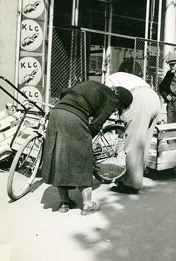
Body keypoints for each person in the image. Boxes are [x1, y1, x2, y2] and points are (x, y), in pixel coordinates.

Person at [41, 80, 133, 215]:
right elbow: (98, 123)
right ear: (120, 102)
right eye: (120, 107)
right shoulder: (112, 98)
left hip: (56, 113)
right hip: (73, 117)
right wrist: (86, 138)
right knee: (83, 159)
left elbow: (65, 92)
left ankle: (64, 203)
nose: (116, 109)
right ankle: (87, 205)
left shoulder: (95, 85)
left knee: (60, 157)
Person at [105, 72, 161, 194]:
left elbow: (112, 99)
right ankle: (136, 178)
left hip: (138, 99)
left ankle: (131, 185)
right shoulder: (125, 77)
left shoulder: (108, 81)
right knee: (143, 143)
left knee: (134, 143)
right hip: (154, 99)